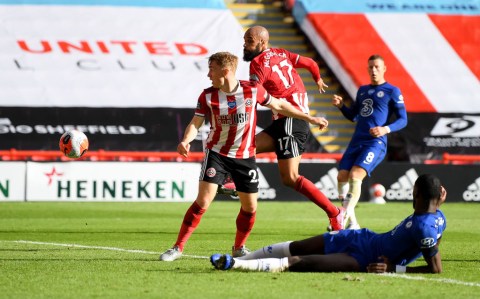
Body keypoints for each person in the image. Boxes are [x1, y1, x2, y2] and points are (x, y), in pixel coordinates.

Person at [159, 52, 329, 261]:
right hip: (217, 154)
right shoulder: (208, 96)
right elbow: (196, 123)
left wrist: (309, 118)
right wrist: (186, 140)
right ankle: (177, 247)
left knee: (250, 207)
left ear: (225, 70)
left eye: (211, 69)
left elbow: (279, 105)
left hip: (245, 156)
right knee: (203, 201)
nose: (208, 74)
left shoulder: (252, 90)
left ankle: (239, 247)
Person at [220, 25, 345, 230]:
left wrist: (234, 92)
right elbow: (311, 63)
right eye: (244, 39)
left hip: (292, 121)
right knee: (246, 146)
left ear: (262, 42)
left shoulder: (257, 63)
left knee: (290, 178)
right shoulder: (282, 53)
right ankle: (231, 180)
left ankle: (335, 213)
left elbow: (256, 92)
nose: (245, 43)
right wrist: (318, 79)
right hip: (283, 120)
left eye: (249, 40)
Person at [210, 173, 446, 274]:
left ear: (420, 196)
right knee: (298, 246)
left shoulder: (425, 227)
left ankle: (235, 265)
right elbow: (433, 233)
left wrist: (395, 269)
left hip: (363, 260)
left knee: (299, 261)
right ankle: (240, 259)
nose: (412, 197)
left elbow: (436, 269)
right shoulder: (437, 216)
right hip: (362, 238)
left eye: (414, 194)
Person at [331, 54, 408, 229]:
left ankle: (341, 218)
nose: (373, 70)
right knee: (342, 176)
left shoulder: (392, 91)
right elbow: (353, 116)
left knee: (355, 175)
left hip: (376, 141)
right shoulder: (362, 90)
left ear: (384, 69)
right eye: (371, 67)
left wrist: (385, 129)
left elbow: (403, 119)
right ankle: (353, 222)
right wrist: (342, 106)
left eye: (377, 67)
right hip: (357, 140)